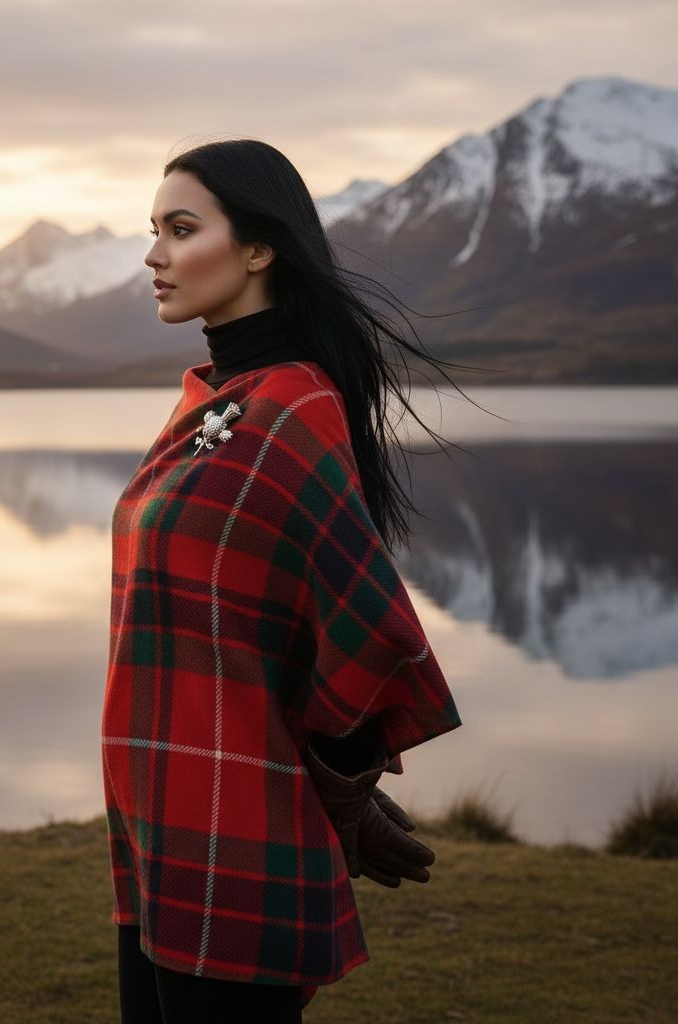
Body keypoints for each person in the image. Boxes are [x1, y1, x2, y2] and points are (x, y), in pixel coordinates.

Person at [101, 137, 471, 1023]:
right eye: (152, 230)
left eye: (180, 229)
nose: (153, 255)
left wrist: (343, 791)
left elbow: (366, 623)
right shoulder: (214, 402)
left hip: (238, 830)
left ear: (260, 248)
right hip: (161, 822)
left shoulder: (291, 408)